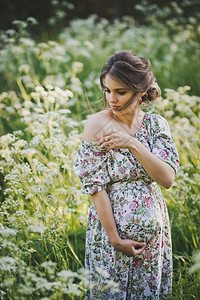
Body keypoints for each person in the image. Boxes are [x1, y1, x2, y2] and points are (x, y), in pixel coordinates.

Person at [73, 51, 179, 300]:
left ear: (140, 91)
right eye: (107, 90)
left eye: (120, 92)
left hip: (153, 238)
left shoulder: (156, 125)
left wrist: (132, 144)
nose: (111, 98)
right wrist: (115, 238)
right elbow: (95, 187)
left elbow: (167, 179)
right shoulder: (97, 124)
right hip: (110, 236)